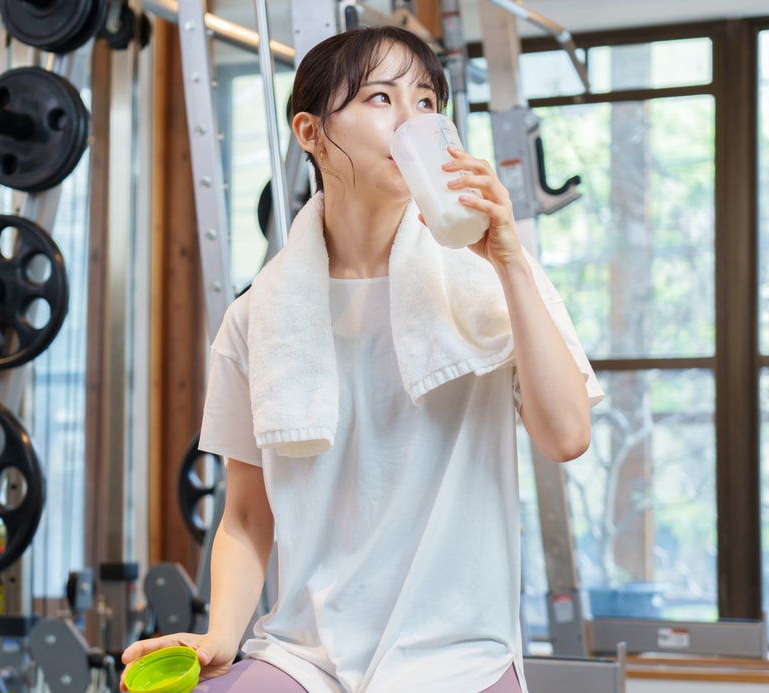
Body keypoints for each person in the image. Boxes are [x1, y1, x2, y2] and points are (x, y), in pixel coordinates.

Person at [122, 25, 602, 693]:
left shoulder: (494, 278)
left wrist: (512, 262)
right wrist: (221, 635)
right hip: (306, 655)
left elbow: (567, 435)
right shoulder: (257, 316)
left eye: (428, 103)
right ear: (311, 134)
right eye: (381, 98)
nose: (414, 121)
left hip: (460, 657)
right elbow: (247, 515)